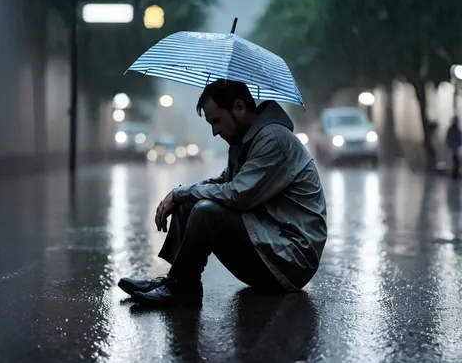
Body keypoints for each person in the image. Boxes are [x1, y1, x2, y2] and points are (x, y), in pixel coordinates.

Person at [118, 79, 328, 306]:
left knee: (205, 210)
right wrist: (180, 194)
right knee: (190, 201)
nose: (215, 131)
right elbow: (223, 181)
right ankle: (175, 280)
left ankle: (183, 288)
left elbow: (238, 194)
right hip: (270, 246)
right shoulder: (247, 140)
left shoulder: (273, 139)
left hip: (291, 262)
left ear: (239, 107)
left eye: (216, 121)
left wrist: (183, 194)